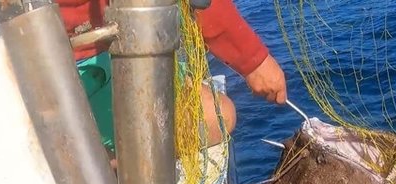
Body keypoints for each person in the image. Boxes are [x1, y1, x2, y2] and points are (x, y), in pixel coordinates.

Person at [58, 0, 287, 159]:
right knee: (216, 118)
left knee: (213, 109)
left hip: (111, 43)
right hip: (69, 66)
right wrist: (253, 61)